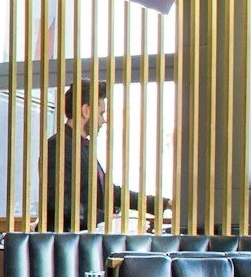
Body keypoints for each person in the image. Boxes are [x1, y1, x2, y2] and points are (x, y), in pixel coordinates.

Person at [38, 84, 165, 230]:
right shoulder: (58, 146)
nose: (103, 121)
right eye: (101, 113)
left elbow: (109, 191)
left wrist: (161, 204)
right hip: (69, 244)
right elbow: (60, 203)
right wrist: (106, 219)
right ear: (85, 110)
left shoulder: (83, 147)